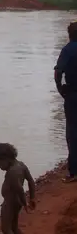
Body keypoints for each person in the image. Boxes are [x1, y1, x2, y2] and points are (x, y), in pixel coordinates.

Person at [0, 143, 36, 234]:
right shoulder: (22, 165)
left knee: (6, 229)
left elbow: (20, 190)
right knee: (14, 227)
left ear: (5, 159)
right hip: (17, 202)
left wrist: (25, 204)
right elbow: (31, 181)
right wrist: (32, 198)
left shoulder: (12, 172)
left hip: (9, 203)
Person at [54, 21, 77, 182]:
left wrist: (60, 89)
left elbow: (58, 72)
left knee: (72, 132)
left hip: (73, 95)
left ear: (69, 35)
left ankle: (73, 172)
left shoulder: (68, 49)